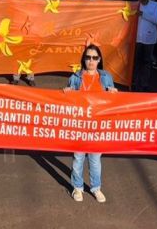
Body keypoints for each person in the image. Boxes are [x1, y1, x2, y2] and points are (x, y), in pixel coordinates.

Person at [63, 44, 117, 203]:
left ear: (99, 60)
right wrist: (66, 93)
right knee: (78, 158)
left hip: (97, 125)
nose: (91, 60)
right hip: (80, 125)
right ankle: (77, 188)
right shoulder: (75, 77)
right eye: (88, 57)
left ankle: (96, 188)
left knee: (95, 159)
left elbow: (112, 101)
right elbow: (66, 103)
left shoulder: (106, 77)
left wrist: (114, 93)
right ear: (84, 59)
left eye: (94, 57)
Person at [133, 0, 157, 92]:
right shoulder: (135, 5)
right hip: (137, 39)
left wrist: (143, 14)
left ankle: (144, 84)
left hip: (149, 40)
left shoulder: (155, 5)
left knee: (146, 62)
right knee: (137, 62)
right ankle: (136, 83)